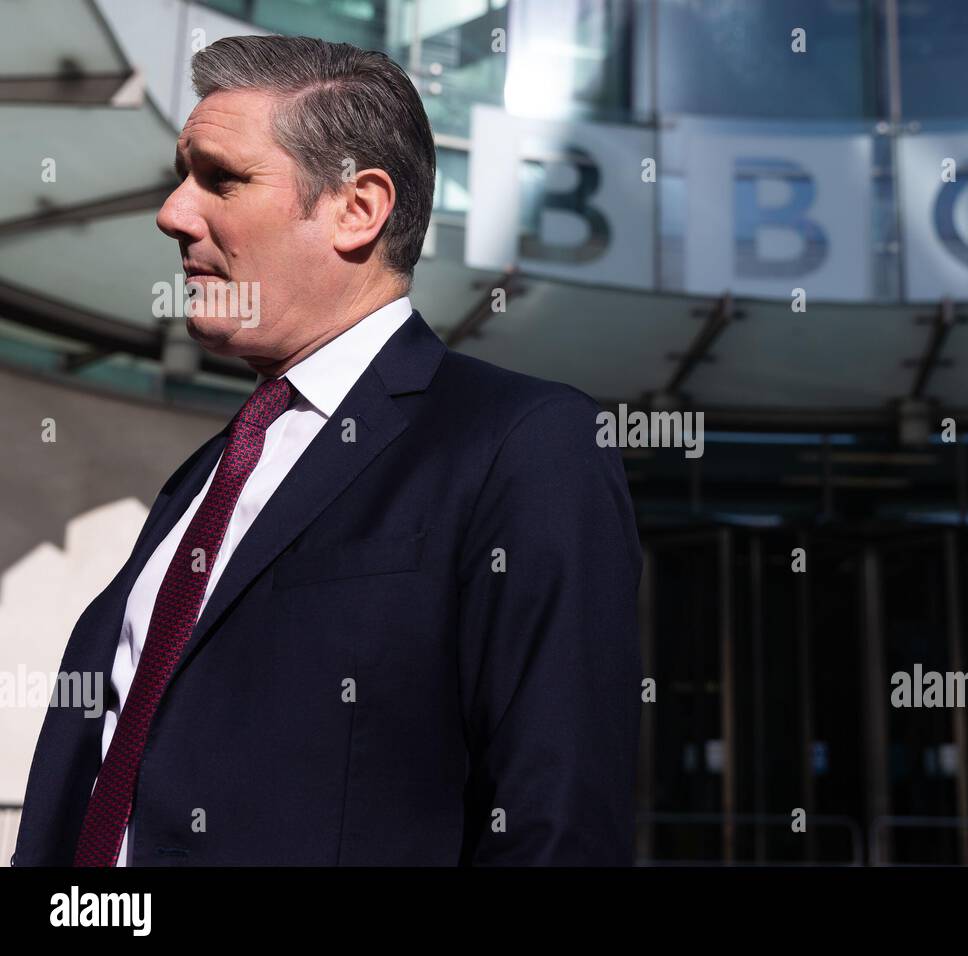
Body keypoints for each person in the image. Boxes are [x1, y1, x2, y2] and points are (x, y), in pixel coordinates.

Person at [14, 35, 642, 866]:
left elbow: (556, 818)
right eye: (181, 175)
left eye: (222, 178)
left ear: (357, 207)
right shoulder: (206, 474)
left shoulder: (523, 443)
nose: (173, 213)